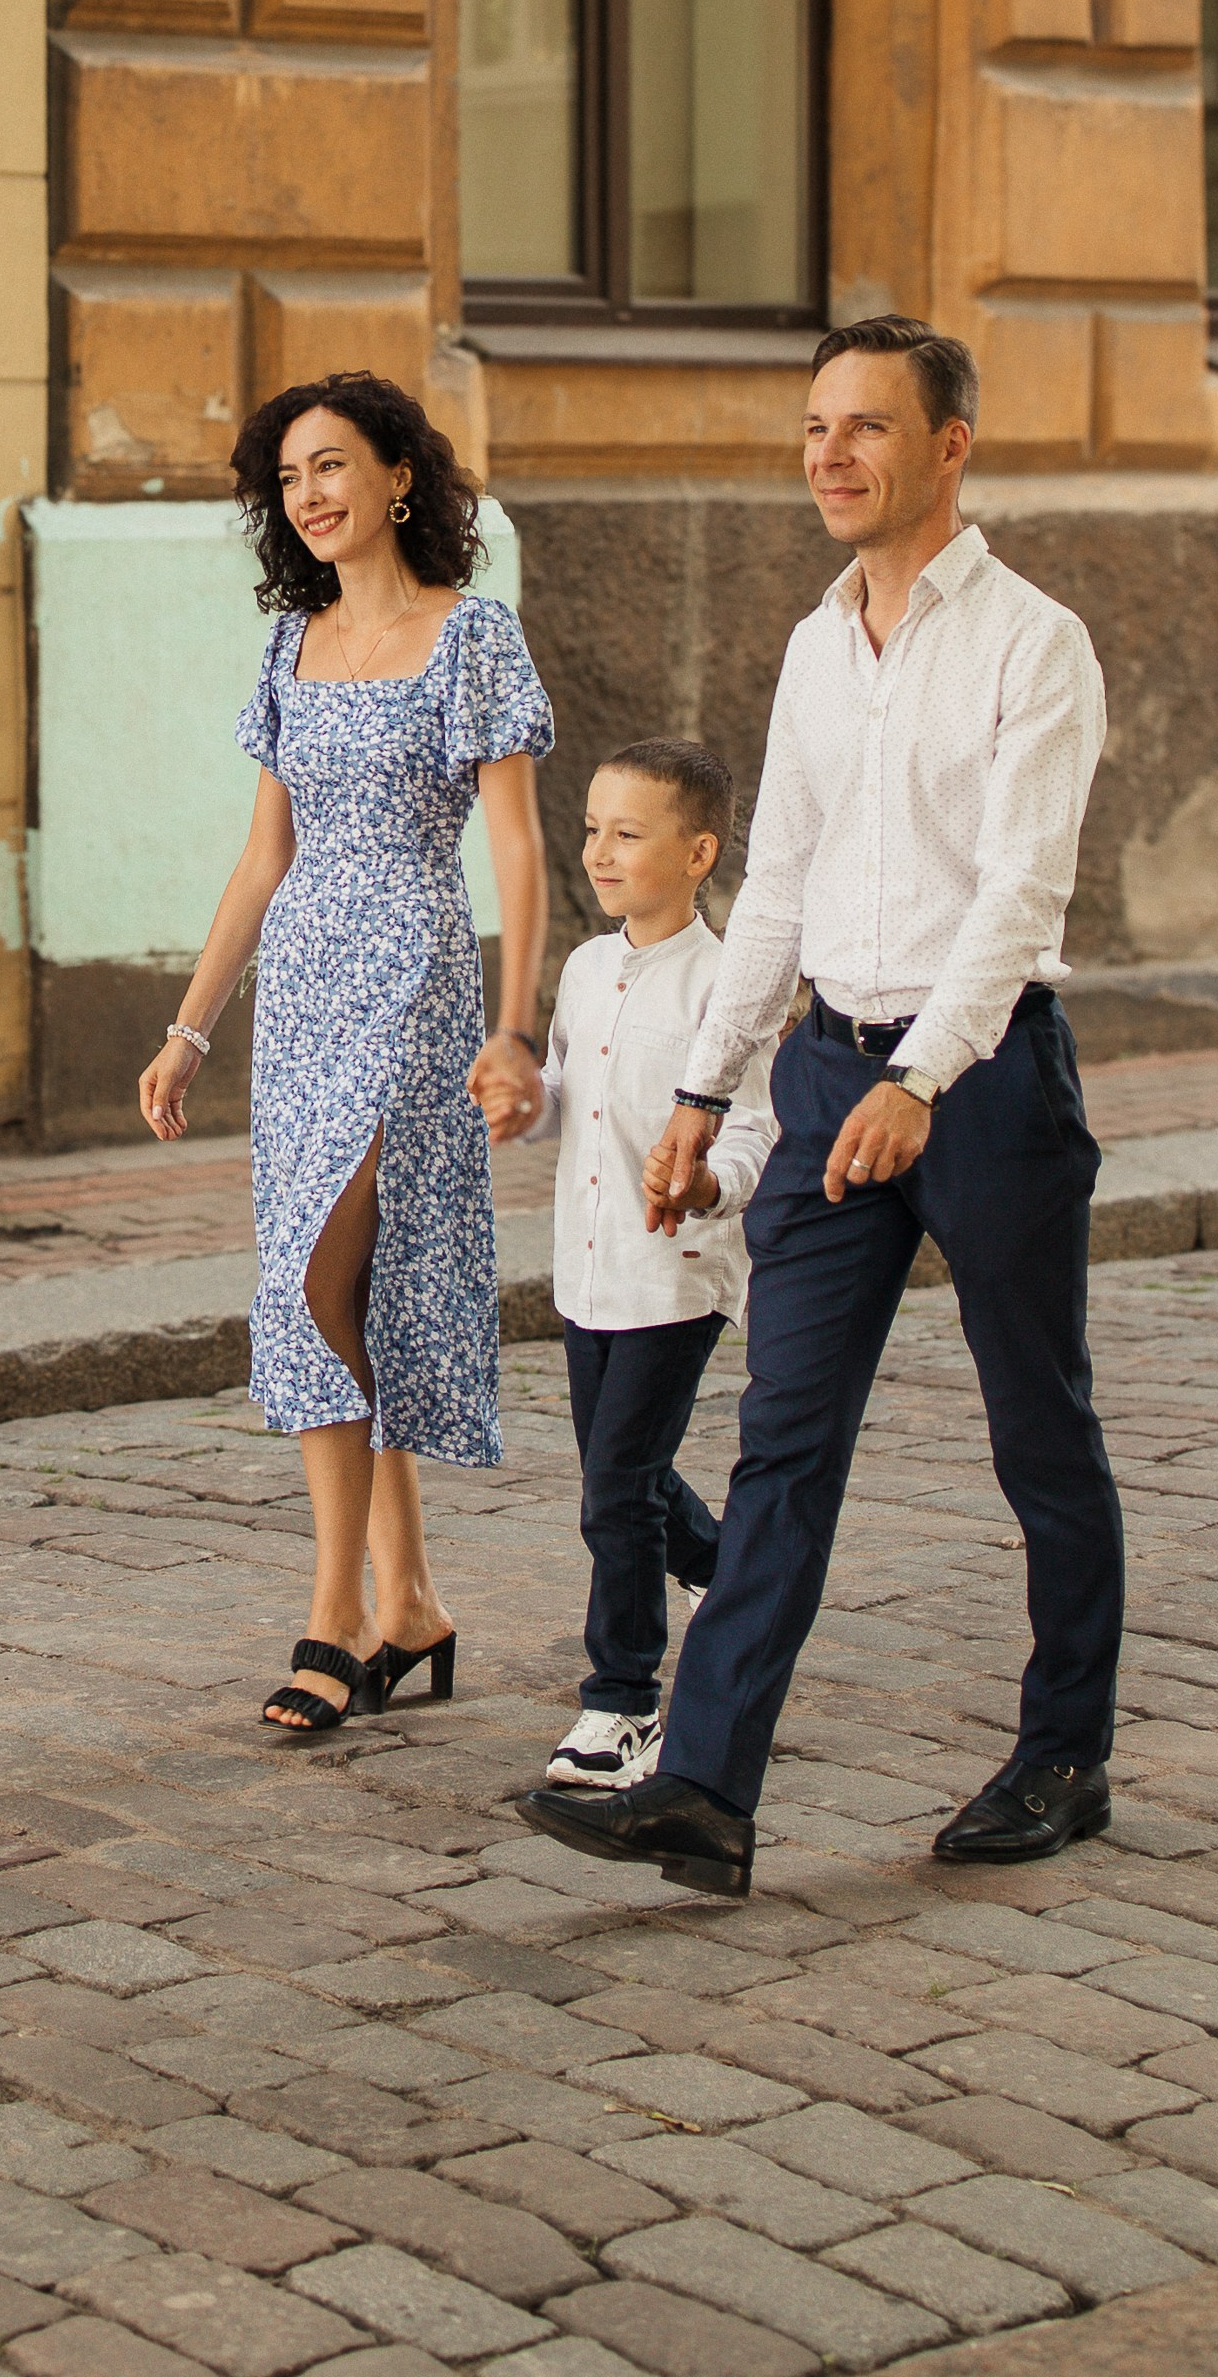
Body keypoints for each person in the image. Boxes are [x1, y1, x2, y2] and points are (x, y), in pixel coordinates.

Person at [522, 316, 1118, 1899]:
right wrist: (702, 1094)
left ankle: (1065, 1751)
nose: (831, 457)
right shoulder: (808, 647)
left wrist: (928, 1075)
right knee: (783, 1440)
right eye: (813, 431)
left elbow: (1021, 891)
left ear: (948, 447)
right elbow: (773, 886)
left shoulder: (1031, 644)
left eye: (865, 427)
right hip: (823, 1075)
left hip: (981, 1080)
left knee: (1037, 1427)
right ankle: (707, 1788)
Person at [140, 370, 552, 1736]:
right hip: (304, 996)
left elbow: (517, 849)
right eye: (288, 480)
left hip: (416, 982)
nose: (310, 497)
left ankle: (330, 1618)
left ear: (399, 480)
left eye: (331, 467)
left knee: (317, 1279)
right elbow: (262, 863)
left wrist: (514, 1025)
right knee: (337, 1292)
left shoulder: (472, 638)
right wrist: (192, 1025)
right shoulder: (290, 648)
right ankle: (414, 1604)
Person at [476, 739, 775, 1792]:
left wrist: (704, 1185)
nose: (599, 851)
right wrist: (525, 1102)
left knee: (614, 1494)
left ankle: (622, 1703)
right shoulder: (585, 968)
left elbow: (751, 1131)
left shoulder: (729, 986)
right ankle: (728, 1570)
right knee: (623, 1475)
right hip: (587, 1271)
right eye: (593, 828)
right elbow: (564, 1088)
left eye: (628, 833)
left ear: (698, 854)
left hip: (674, 1274)